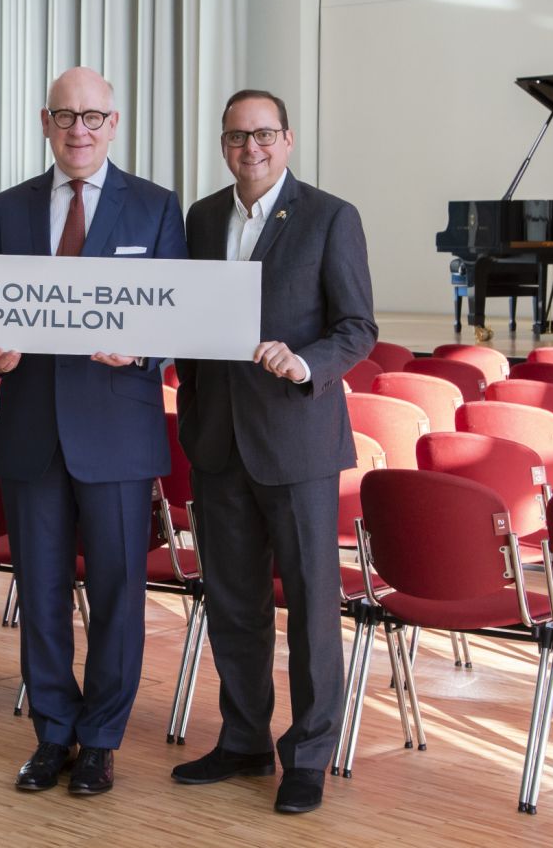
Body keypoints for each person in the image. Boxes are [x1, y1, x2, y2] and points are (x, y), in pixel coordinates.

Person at [0, 66, 188, 797]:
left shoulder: (158, 208)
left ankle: (100, 740)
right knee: (39, 593)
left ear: (114, 122)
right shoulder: (6, 209)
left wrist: (145, 347)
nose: (79, 130)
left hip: (117, 432)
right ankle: (52, 733)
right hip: (32, 429)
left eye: (92, 117)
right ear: (45, 122)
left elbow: (175, 316)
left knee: (118, 594)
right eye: (66, 117)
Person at [170, 89, 377, 815]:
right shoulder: (199, 218)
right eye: (236, 137)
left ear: (287, 140)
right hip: (218, 441)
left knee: (314, 609)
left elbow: (358, 327)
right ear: (223, 144)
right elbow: (186, 316)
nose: (249, 149)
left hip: (298, 441)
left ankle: (310, 753)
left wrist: (307, 364)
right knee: (234, 604)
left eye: (263, 135)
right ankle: (245, 739)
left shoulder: (329, 217)